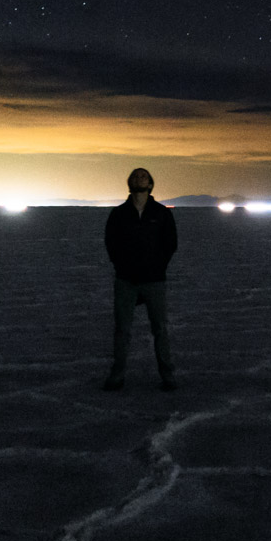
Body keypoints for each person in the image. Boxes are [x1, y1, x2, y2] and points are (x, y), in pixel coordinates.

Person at [102, 167, 178, 391]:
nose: (139, 178)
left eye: (143, 176)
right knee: (122, 329)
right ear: (129, 182)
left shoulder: (161, 213)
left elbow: (170, 244)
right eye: (136, 176)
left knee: (160, 329)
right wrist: (121, 266)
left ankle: (167, 375)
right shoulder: (119, 214)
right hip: (126, 280)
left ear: (150, 184)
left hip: (154, 281)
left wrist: (158, 267)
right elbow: (111, 243)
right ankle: (117, 376)